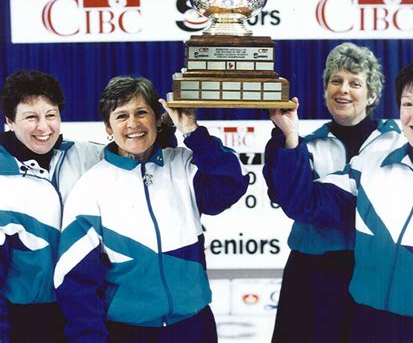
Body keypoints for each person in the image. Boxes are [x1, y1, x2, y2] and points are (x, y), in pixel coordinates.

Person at [264, 59, 413, 342]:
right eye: (408, 104)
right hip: (369, 325)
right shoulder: (371, 165)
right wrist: (289, 135)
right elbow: (304, 202)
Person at [54, 75, 249, 342]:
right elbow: (76, 283)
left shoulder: (183, 165)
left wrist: (193, 132)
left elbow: (230, 186)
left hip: (194, 326)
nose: (133, 124)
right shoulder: (90, 188)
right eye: (121, 116)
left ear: (157, 118)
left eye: (141, 112)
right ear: (108, 127)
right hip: (128, 331)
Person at [265, 42, 405, 342]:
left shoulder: (399, 141)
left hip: (378, 271)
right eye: (335, 81)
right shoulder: (303, 145)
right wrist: (289, 137)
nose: (343, 90)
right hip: (314, 275)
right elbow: (293, 202)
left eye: (355, 83)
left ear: (373, 94)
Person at [0, 70, 103, 342]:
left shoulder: (85, 156)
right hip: (24, 320)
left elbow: (137, 154)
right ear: (9, 120)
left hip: (85, 314)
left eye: (51, 115)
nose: (44, 127)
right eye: (31, 117)